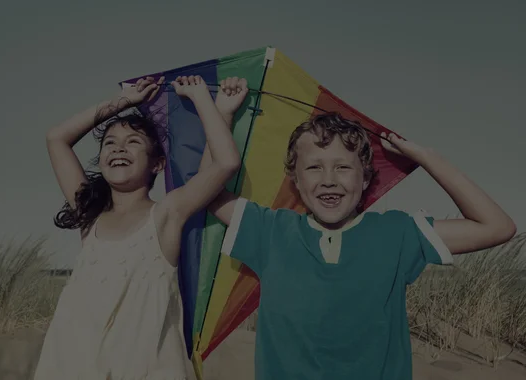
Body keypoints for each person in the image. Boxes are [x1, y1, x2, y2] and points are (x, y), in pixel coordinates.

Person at [200, 79, 516, 380]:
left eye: (342, 167)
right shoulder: (271, 230)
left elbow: (496, 227)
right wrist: (222, 114)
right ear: (295, 180)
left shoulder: (398, 233)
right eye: (313, 167)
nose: (328, 179)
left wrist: (425, 157)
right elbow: (207, 191)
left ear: (364, 178)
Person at [34, 75, 244, 379]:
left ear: (157, 163)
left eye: (133, 143)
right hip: (74, 366)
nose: (119, 149)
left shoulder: (166, 214)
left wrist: (205, 101)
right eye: (110, 144)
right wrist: (124, 102)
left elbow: (224, 163)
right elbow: (56, 138)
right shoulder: (90, 215)